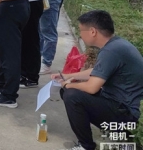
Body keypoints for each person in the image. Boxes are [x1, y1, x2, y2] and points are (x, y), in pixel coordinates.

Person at [52, 10, 143, 150]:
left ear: (93, 31)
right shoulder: (116, 45)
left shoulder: (111, 51)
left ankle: (86, 146)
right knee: (69, 91)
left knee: (72, 95)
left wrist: (68, 85)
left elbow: (92, 87)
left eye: (82, 31)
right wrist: (68, 76)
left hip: (126, 116)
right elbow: (96, 72)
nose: (81, 35)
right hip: (118, 104)